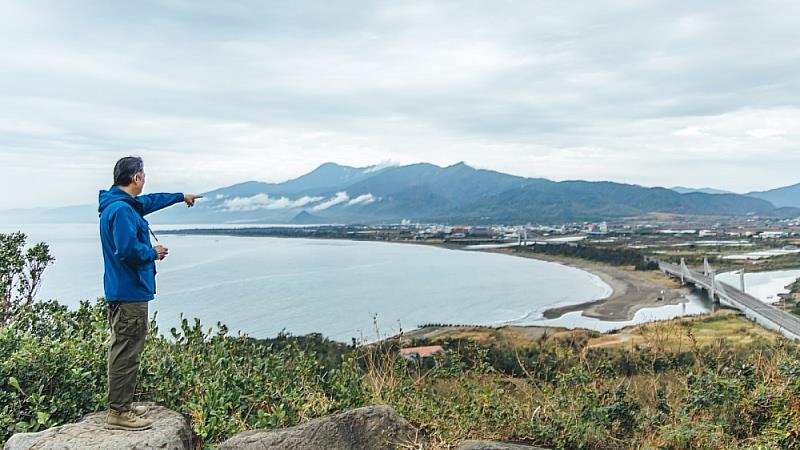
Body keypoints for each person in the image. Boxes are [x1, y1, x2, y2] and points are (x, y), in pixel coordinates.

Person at [98, 156, 202, 431]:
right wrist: (152, 253)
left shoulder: (125, 205)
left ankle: (123, 404)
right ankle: (118, 413)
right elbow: (127, 251)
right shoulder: (121, 211)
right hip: (129, 292)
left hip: (128, 290)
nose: (145, 180)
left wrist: (181, 196)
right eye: (143, 175)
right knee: (126, 352)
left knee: (128, 348)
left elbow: (152, 201)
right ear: (136, 178)